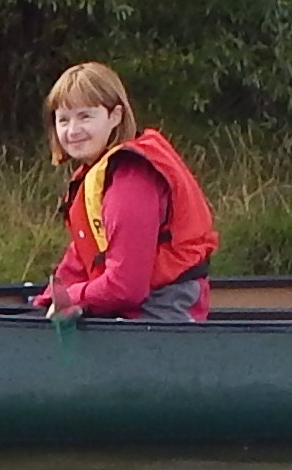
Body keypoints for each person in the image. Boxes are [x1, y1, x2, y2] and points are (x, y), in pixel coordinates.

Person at [39, 62, 219, 322]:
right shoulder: (94, 178)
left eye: (85, 116)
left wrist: (74, 297)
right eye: (63, 120)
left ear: (115, 116)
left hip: (163, 310)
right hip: (131, 307)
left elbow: (126, 287)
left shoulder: (131, 181)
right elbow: (79, 261)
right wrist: (48, 300)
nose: (72, 131)